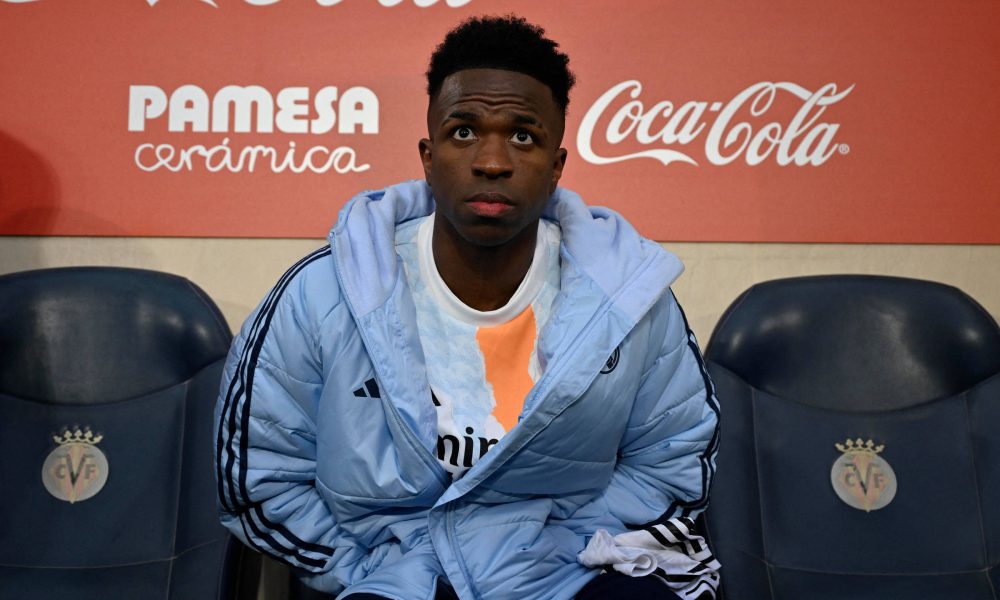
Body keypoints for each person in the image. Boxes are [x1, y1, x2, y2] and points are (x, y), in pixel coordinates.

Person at [215, 15, 720, 600]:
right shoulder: (322, 291)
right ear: (428, 158)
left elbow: (672, 463)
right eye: (464, 132)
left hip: (565, 572)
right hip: (397, 578)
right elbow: (260, 477)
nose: (492, 161)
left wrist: (574, 548)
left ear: (557, 167)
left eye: (523, 137)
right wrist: (365, 569)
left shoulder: (627, 298)